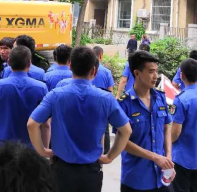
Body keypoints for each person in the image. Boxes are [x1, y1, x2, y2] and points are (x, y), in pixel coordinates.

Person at [28, 46, 132, 192]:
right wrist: (109, 157)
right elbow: (126, 130)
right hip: (90, 172)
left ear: (70, 65)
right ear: (94, 71)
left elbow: (32, 124)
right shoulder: (106, 98)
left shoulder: (55, 95)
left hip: (60, 171)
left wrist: (43, 151)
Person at [117, 50, 174, 192]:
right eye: (151, 72)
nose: (156, 76)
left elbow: (166, 127)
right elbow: (122, 142)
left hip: (161, 177)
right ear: (137, 73)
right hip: (136, 179)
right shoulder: (124, 104)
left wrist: (168, 158)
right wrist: (154, 157)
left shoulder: (160, 97)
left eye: (156, 71)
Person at [0, 46, 48, 151]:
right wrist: (44, 152)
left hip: (1, 149)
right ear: (29, 63)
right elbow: (45, 125)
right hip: (30, 150)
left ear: (9, 62)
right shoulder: (41, 88)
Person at [170, 58, 197, 192]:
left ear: (181, 75)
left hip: (182, 157)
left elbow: (175, 132)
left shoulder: (181, 99)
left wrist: (166, 144)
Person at [92, 46, 114, 154]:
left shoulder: (87, 70)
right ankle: (105, 152)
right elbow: (110, 91)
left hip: (88, 105)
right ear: (101, 55)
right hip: (103, 106)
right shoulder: (106, 72)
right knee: (104, 128)